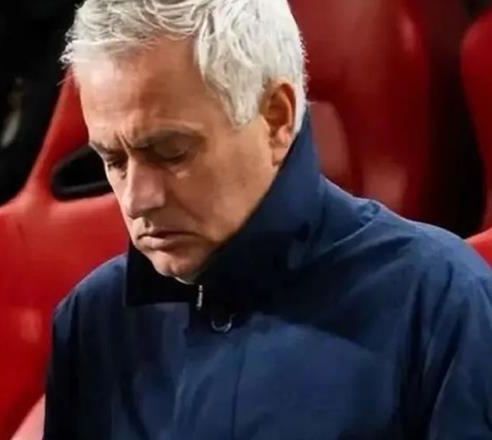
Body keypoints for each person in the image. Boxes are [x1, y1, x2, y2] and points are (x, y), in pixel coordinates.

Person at [43, 0, 492, 438]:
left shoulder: (440, 302)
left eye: (171, 152)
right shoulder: (92, 321)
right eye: (113, 160)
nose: (137, 199)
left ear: (277, 117)